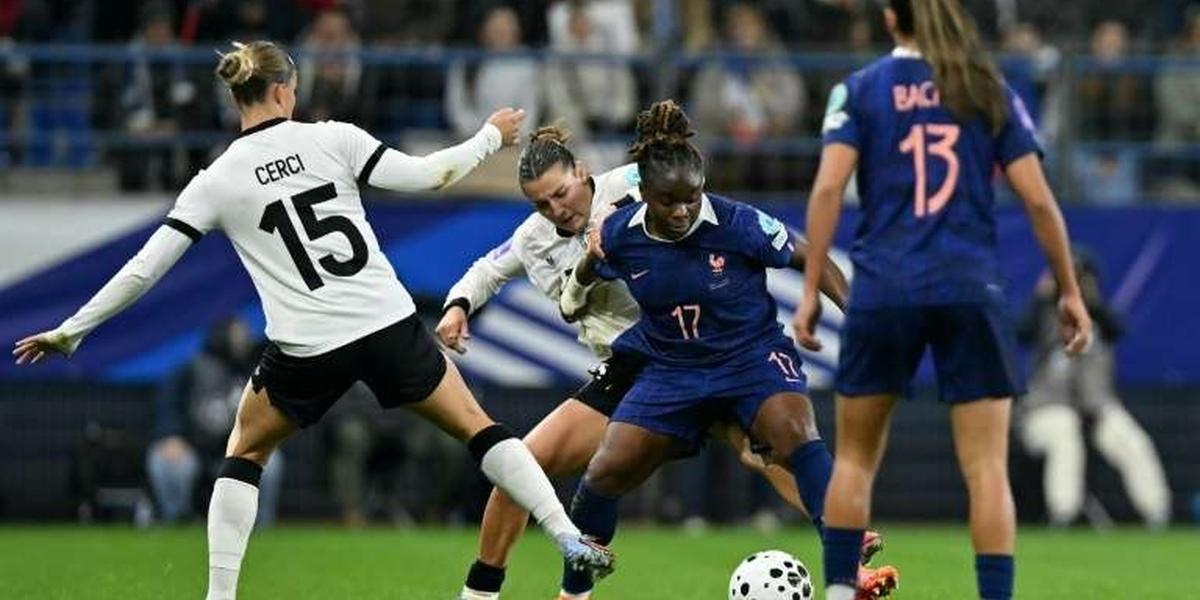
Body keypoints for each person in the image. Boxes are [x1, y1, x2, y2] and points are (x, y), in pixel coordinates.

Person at [11, 40, 613, 600]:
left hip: (307, 347)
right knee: (481, 430)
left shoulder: (216, 180)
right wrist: (489, 136)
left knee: (244, 453)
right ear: (282, 91)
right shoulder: (332, 139)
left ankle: (220, 596)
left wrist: (73, 329)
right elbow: (432, 176)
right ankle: (563, 533)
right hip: (386, 324)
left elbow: (144, 269)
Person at [793, 2, 1094, 599]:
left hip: (884, 286)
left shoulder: (858, 90)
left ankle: (836, 592)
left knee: (854, 460)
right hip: (969, 285)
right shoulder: (986, 88)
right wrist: (1070, 290)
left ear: (889, 18)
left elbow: (828, 187)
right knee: (986, 469)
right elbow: (1037, 201)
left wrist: (808, 294)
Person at [438, 126, 817, 600]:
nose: (558, 209)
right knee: (520, 469)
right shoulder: (532, 240)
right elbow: (487, 270)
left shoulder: (631, 185)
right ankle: (479, 594)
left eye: (561, 193)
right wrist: (458, 305)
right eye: (542, 204)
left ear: (581, 171)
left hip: (692, 350)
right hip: (627, 369)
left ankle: (846, 541)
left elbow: (686, 180)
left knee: (764, 451)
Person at [555, 100, 898, 599]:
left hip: (749, 357)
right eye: (669, 201)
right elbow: (587, 273)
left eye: (692, 198)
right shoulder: (618, 233)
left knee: (796, 432)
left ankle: (849, 573)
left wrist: (858, 315)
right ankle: (574, 592)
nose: (683, 210)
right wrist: (587, 265)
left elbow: (812, 258)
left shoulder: (737, 223)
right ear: (644, 193)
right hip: (670, 368)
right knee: (605, 470)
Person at [1017, 252, 1171, 528]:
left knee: (1134, 442)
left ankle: (1157, 514)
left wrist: (1090, 299)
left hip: (1097, 410)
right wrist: (1042, 294)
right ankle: (1064, 516)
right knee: (1065, 432)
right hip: (1046, 410)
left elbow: (1117, 329)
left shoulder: (1098, 316)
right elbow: (1021, 333)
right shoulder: (1043, 314)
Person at [147, 317, 284, 527]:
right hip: (193, 446)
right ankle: (176, 520)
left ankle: (260, 523)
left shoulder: (256, 371)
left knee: (271, 461)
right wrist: (171, 435)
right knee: (168, 461)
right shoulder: (190, 369)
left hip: (235, 449)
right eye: (237, 334)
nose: (243, 339)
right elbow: (168, 406)